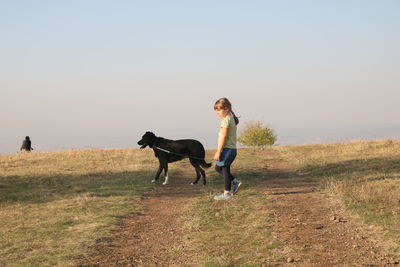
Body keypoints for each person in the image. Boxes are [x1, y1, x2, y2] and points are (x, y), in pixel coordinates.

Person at [213, 97, 241, 200]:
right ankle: (235, 182)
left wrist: (218, 152)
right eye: (216, 110)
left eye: (219, 110)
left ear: (227, 108)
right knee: (219, 168)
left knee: (224, 169)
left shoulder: (226, 121)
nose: (217, 113)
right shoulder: (232, 119)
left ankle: (227, 193)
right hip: (232, 149)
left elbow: (223, 137)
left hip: (227, 149)